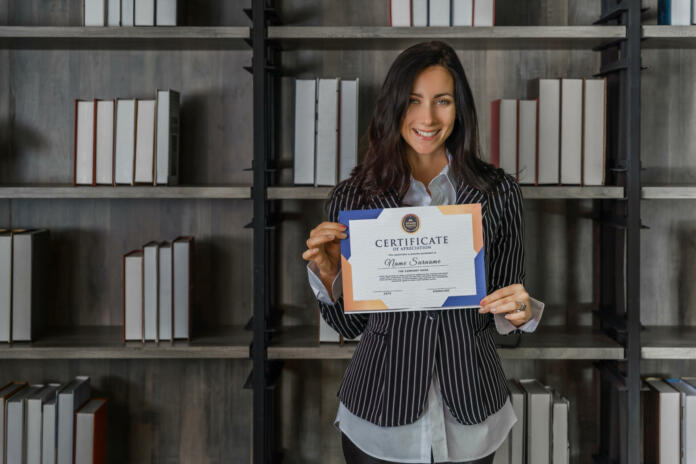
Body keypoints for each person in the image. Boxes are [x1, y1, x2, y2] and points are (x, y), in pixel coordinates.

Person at [302, 41, 545, 464]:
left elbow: (508, 305)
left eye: (442, 101)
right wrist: (328, 277)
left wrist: (521, 309)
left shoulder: (499, 192)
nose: (427, 118)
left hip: (470, 409)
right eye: (413, 101)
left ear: (460, 108)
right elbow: (349, 324)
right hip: (379, 413)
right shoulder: (353, 198)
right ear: (392, 106)